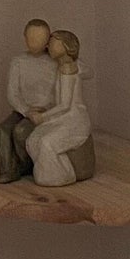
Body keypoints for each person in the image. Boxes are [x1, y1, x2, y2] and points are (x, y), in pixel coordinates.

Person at [25, 29, 95, 186]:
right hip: (65, 117)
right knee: (33, 140)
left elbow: (65, 105)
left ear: (66, 46)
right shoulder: (71, 65)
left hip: (74, 120)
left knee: (45, 143)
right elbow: (90, 72)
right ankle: (62, 168)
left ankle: (61, 175)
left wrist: (42, 117)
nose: (48, 46)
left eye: (53, 43)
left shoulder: (67, 68)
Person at [0, 19, 56, 182]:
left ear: (48, 40)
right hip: (23, 110)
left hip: (46, 112)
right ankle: (8, 170)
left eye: (40, 38)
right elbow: (12, 93)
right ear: (25, 38)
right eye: (31, 38)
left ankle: (27, 164)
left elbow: (60, 92)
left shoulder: (55, 62)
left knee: (21, 132)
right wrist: (26, 110)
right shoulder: (19, 61)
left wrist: (46, 110)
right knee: (1, 130)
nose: (35, 42)